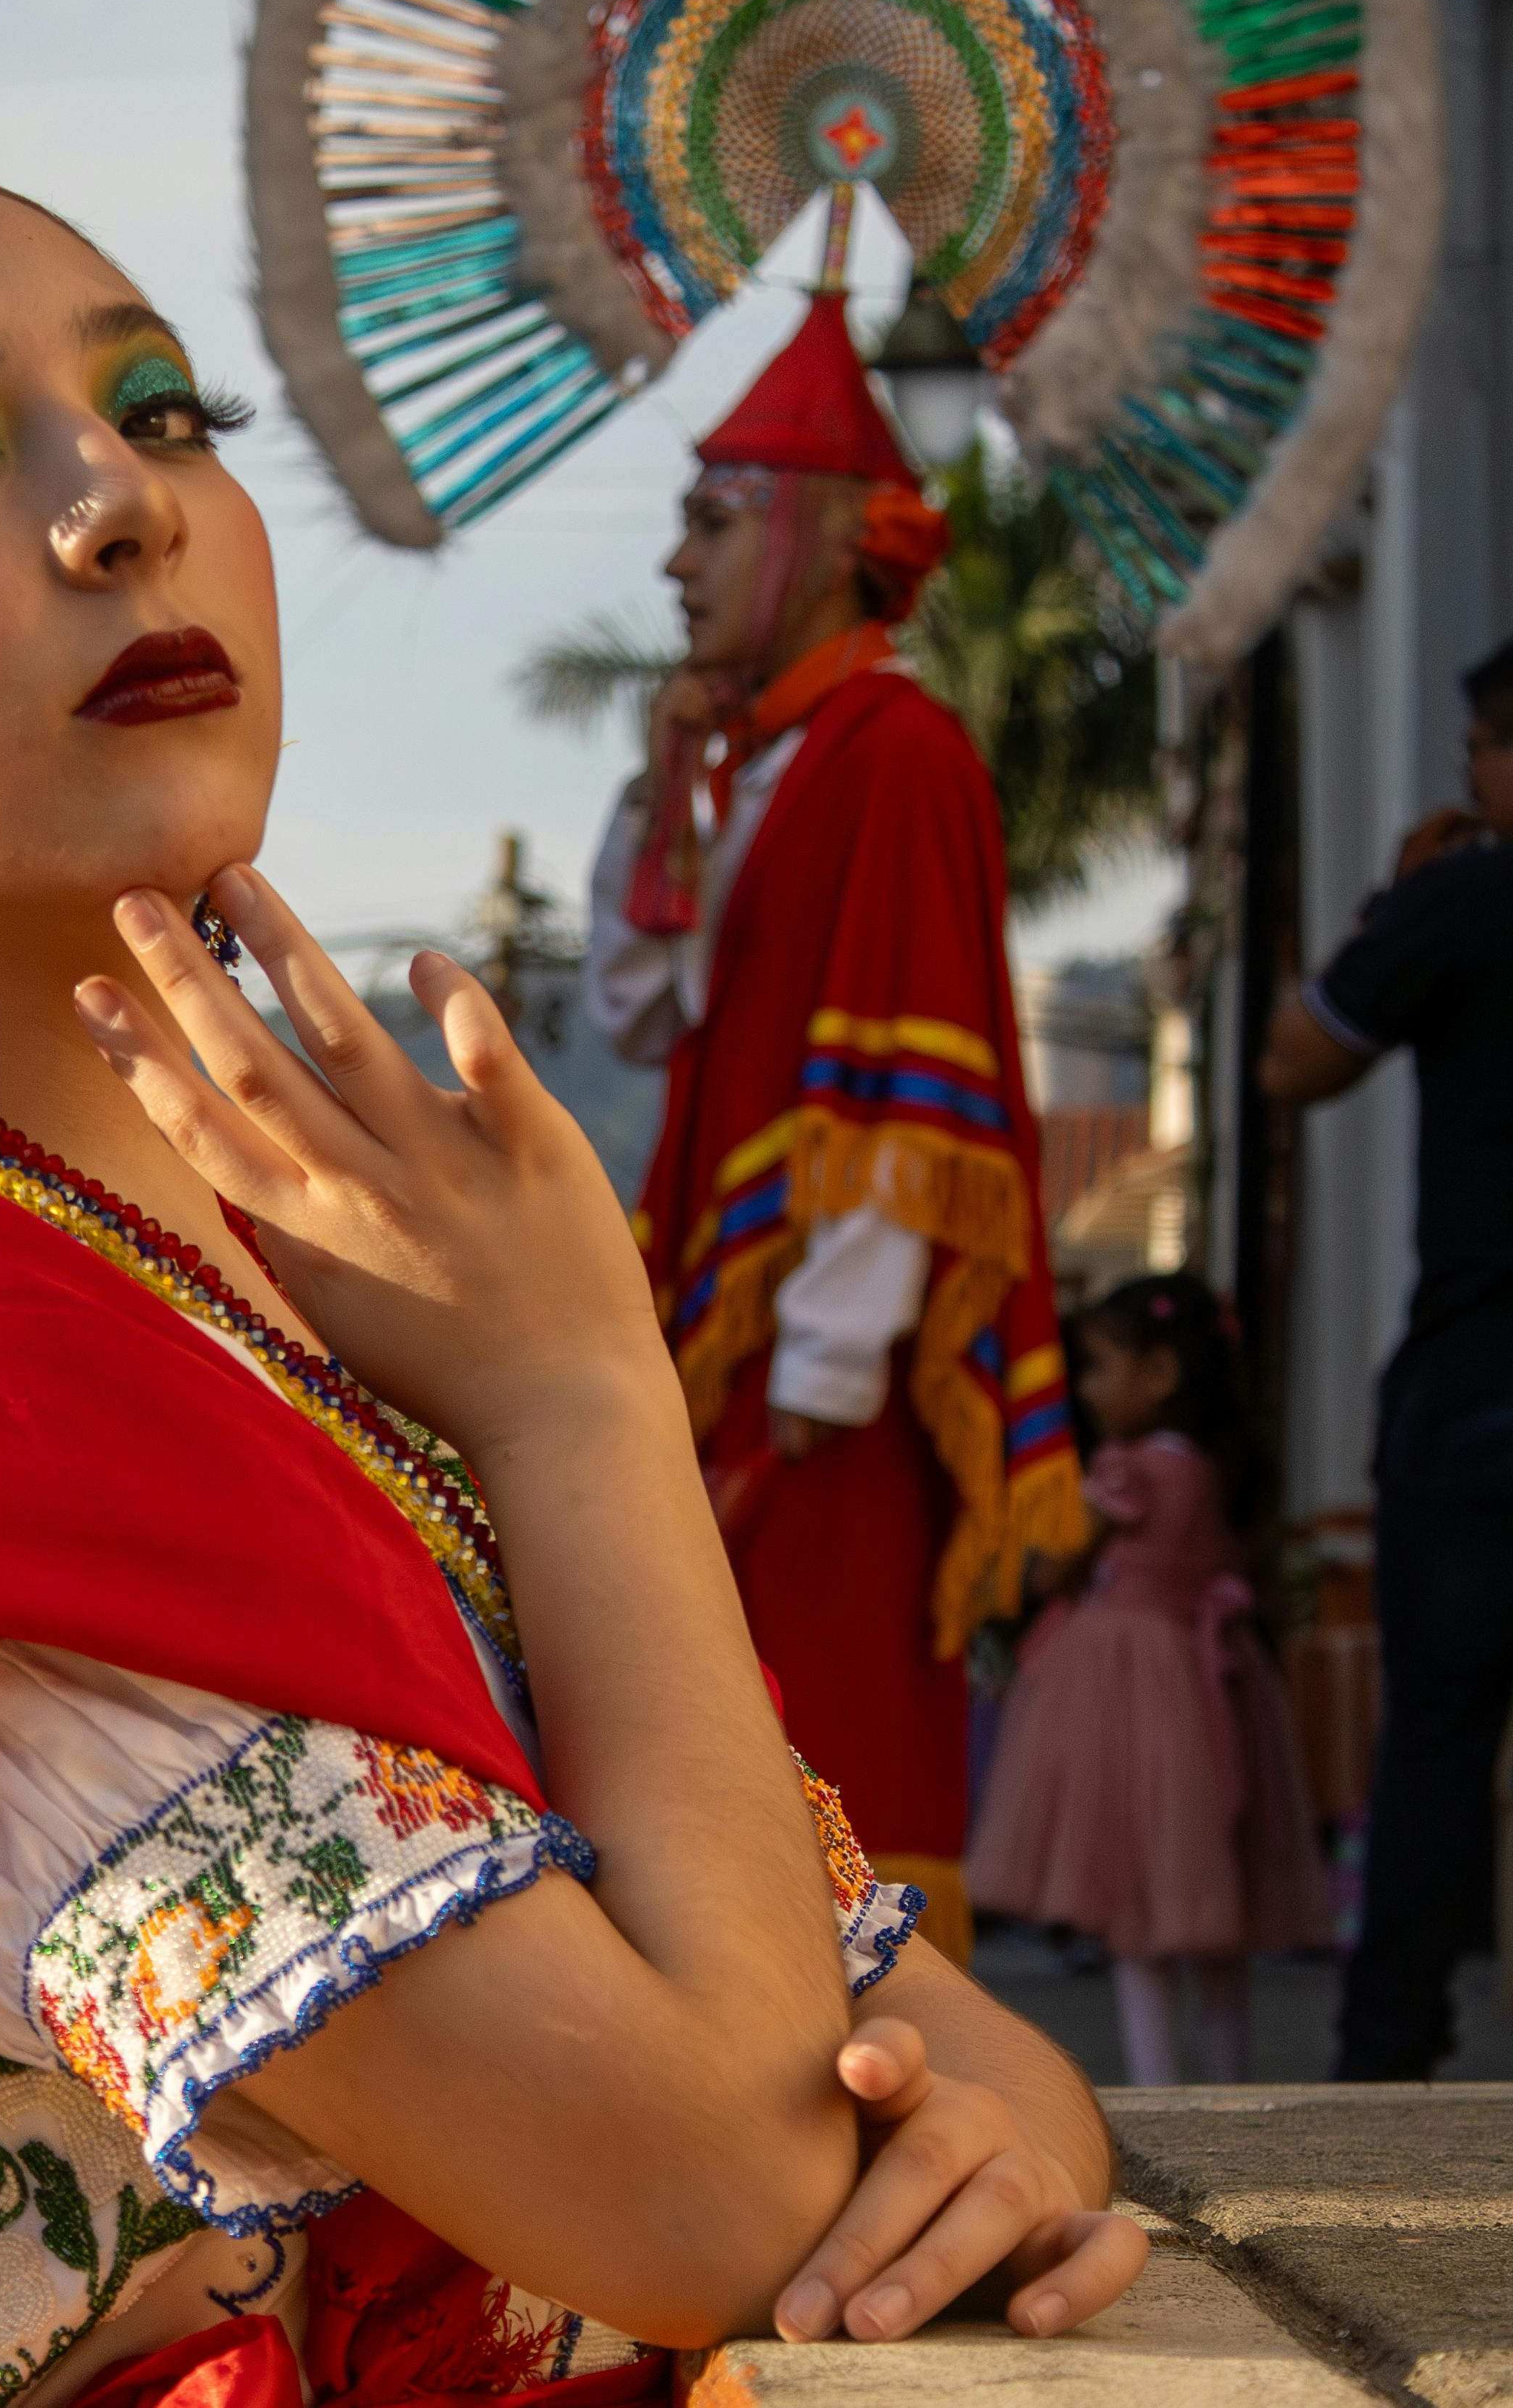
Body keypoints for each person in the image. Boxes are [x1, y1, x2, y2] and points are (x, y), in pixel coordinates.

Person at [0, 172, 1143, 2408]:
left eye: (164, 413)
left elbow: (899, 2020)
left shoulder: (213, 1294)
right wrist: (580, 1396)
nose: (118, 505)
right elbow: (707, 2195)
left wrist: (995, 2131)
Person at [581, 293, 1086, 1959]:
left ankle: (891, 2084)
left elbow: (910, 1100)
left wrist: (817, 1372)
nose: (674, 566)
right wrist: (663, 799)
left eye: (712, 523)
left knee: (839, 1720)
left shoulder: (898, 751)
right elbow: (635, 1005)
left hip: (823, 1366)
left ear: (809, 534)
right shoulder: (763, 763)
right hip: (729, 1335)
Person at [1261, 637, 1513, 2080]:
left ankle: (1385, 2057)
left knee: (1432, 1735)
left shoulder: (1462, 899)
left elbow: (1294, 1057)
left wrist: (1393, 909)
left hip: (1475, 1381)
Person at [967, 1276, 1331, 2082]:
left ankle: (1157, 2089)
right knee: (1212, 1898)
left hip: (1132, 1691)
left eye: (1097, 1365)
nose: (1087, 1388)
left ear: (1160, 1372)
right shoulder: (1215, 1468)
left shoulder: (1126, 1468)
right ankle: (1233, 2083)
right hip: (1218, 1688)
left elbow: (1053, 1563)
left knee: (1135, 1900)